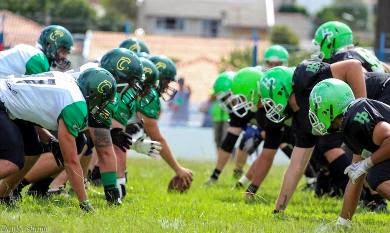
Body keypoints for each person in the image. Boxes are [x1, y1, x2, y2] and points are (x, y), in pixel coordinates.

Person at [0, 67, 117, 211]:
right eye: (102, 101)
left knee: (33, 150)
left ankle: (2, 196)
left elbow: (31, 110)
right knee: (12, 161)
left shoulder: (69, 84)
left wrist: (49, 139)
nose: (101, 107)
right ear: (92, 94)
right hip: (3, 102)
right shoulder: (76, 105)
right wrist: (85, 204)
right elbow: (71, 162)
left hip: (8, 103)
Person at [308, 79, 390, 227]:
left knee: (377, 176)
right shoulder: (350, 123)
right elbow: (356, 177)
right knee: (365, 174)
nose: (315, 113)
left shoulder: (355, 118)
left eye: (318, 108)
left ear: (330, 107)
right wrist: (342, 223)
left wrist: (368, 162)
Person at [0, 25, 73, 75]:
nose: (64, 56)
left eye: (66, 52)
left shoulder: (33, 53)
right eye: (63, 51)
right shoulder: (39, 59)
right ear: (49, 45)